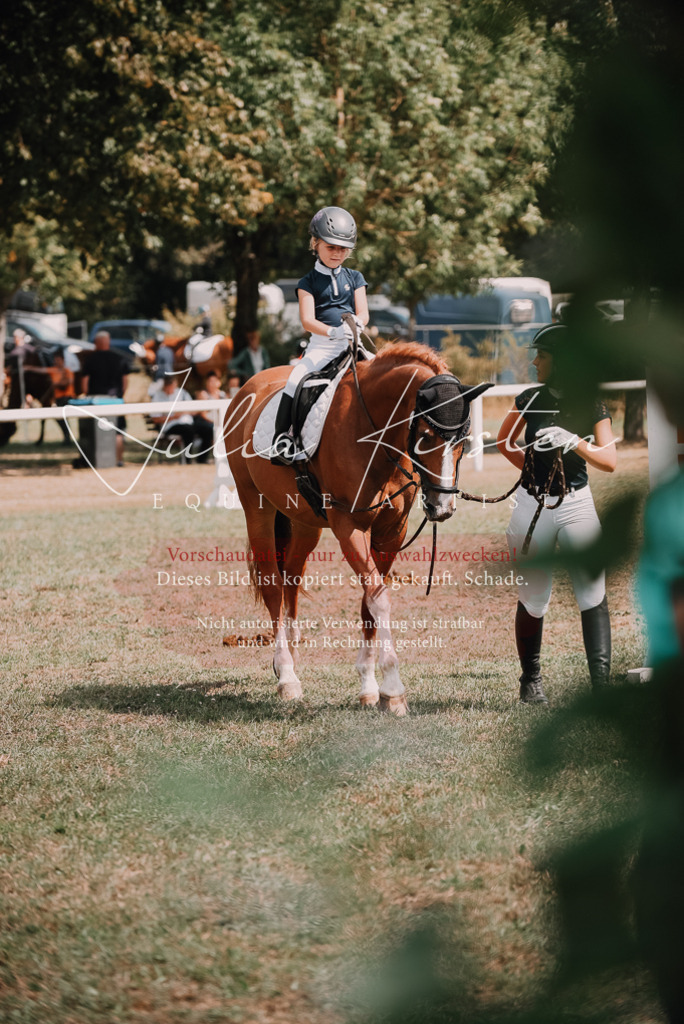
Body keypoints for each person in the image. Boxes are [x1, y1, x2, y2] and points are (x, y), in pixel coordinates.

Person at [496, 323, 618, 703]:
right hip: (532, 506)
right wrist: (532, 472)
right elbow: (504, 442)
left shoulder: (592, 403)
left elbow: (610, 461)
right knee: (534, 596)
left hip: (577, 504)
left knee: (591, 590)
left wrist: (576, 441)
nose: (534, 362)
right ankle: (530, 681)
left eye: (542, 356)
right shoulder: (529, 399)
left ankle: (601, 687)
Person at [270, 206, 369, 465]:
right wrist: (332, 331)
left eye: (343, 249)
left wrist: (357, 324)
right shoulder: (307, 282)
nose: (337, 253)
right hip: (322, 347)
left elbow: (364, 313)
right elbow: (307, 320)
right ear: (315, 243)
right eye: (331, 247)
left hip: (351, 342)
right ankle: (283, 440)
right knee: (295, 379)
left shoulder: (356, 277)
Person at [81, 330, 128, 465]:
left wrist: (87, 396)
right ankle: (119, 460)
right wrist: (120, 395)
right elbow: (125, 383)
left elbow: (85, 384)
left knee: (96, 431)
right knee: (118, 431)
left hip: (96, 401)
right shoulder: (119, 359)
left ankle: (97, 459)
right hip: (115, 399)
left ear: (96, 343)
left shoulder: (89, 360)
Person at [149, 376, 214, 462]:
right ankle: (187, 460)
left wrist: (197, 407)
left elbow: (193, 410)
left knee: (208, 429)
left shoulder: (182, 393)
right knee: (188, 430)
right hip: (171, 425)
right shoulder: (158, 396)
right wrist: (174, 417)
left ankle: (202, 459)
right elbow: (155, 419)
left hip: (188, 421)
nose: (170, 390)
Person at [48, 351, 75, 443]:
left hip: (66, 397)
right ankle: (66, 436)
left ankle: (67, 437)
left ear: (63, 360)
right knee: (59, 418)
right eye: (56, 360)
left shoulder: (67, 371)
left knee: (63, 418)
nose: (57, 362)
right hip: (58, 398)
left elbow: (69, 382)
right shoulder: (53, 371)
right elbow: (41, 370)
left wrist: (57, 384)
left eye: (58, 360)